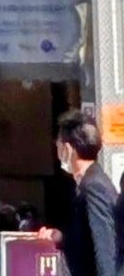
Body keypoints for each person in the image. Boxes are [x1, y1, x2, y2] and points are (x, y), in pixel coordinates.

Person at [51, 112, 119, 276]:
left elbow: (104, 250)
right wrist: (62, 237)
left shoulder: (94, 187)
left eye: (58, 144)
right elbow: (85, 239)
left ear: (68, 149)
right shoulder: (88, 183)